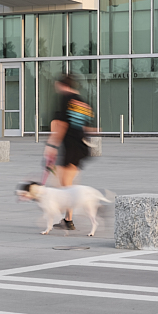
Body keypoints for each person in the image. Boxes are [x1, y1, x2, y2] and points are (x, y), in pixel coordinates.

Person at [43, 73, 96, 228]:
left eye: (58, 86)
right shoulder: (83, 102)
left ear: (63, 85)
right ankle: (68, 218)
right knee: (66, 182)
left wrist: (52, 146)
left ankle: (74, 214)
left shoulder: (66, 99)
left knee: (66, 184)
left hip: (71, 147)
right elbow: (88, 127)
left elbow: (62, 125)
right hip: (80, 147)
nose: (57, 89)